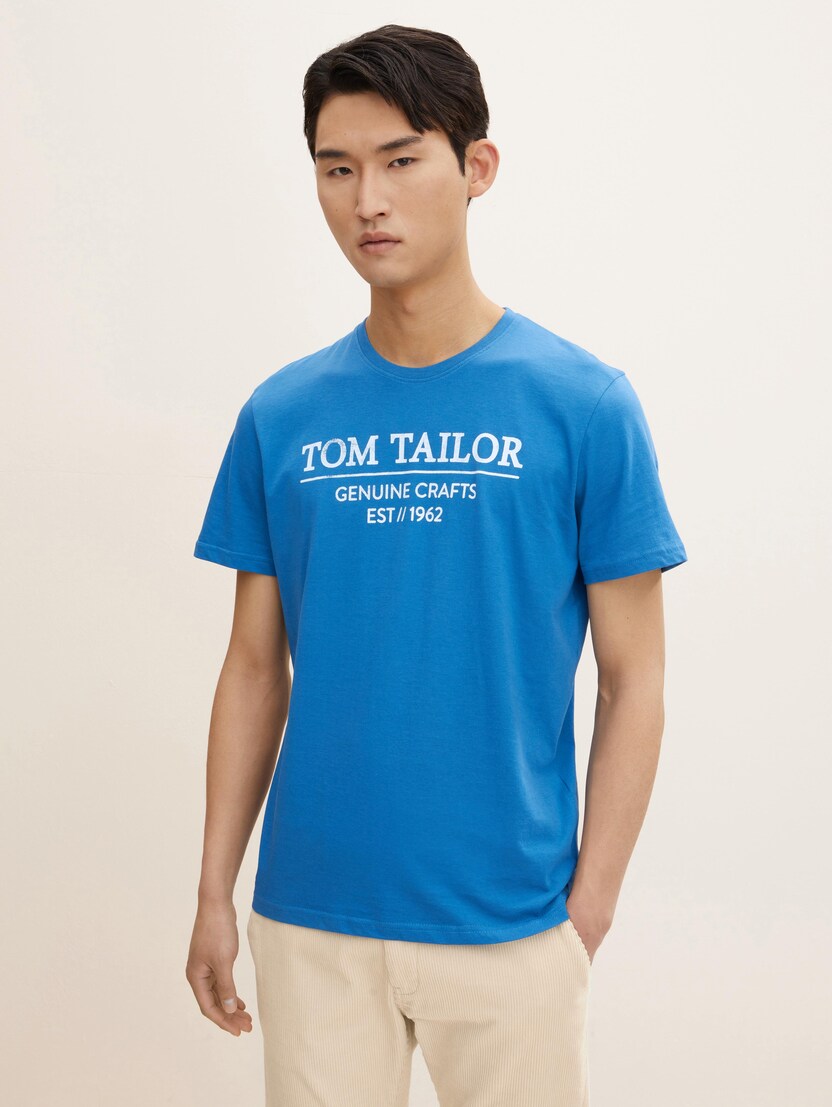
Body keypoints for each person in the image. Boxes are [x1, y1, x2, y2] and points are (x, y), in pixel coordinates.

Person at [185, 22, 688, 1107]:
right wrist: (214, 890)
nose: (368, 199)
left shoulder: (582, 403)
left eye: (401, 159)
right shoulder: (281, 415)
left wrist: (587, 909)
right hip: (311, 916)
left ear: (476, 167)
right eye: (337, 168)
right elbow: (254, 667)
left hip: (511, 921)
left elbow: (635, 675)